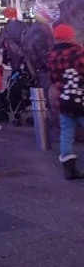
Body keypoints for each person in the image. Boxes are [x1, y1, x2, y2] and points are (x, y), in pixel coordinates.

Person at [48, 23, 84, 180]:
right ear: (69, 36)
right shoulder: (77, 52)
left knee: (66, 132)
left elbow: (54, 79)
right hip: (81, 98)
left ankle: (69, 168)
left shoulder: (52, 55)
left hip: (64, 98)